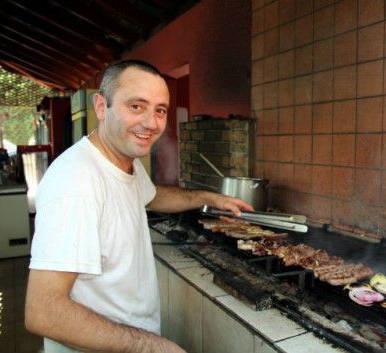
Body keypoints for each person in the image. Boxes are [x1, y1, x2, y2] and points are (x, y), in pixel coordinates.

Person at [24, 60, 253, 353]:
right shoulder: (76, 182)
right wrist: (152, 347)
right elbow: (44, 312)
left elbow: (152, 195)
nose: (152, 123)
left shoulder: (124, 161)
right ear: (101, 106)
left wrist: (208, 198)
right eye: (136, 106)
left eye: (160, 110)